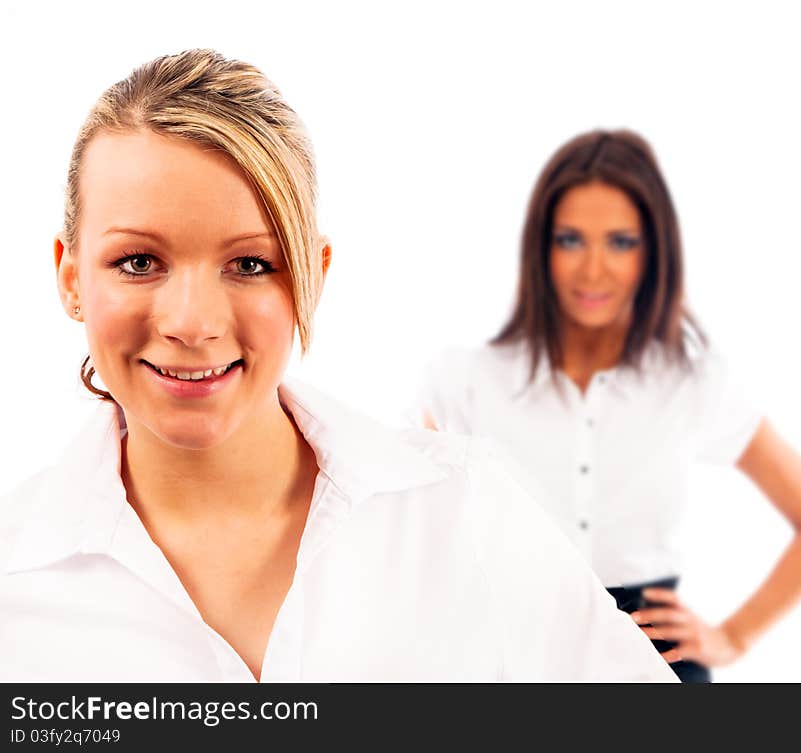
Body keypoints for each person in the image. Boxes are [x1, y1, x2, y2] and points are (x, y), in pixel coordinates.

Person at [0, 52, 676, 682]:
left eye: (251, 264)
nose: (192, 321)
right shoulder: (15, 587)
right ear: (70, 277)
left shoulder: (460, 513)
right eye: (138, 262)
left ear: (311, 278)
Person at [416, 130, 801, 682]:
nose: (593, 270)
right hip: (519, 659)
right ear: (541, 248)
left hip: (657, 663)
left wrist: (734, 637)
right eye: (571, 240)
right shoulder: (468, 380)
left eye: (620, 242)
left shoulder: (692, 384)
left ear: (653, 251)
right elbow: (398, 520)